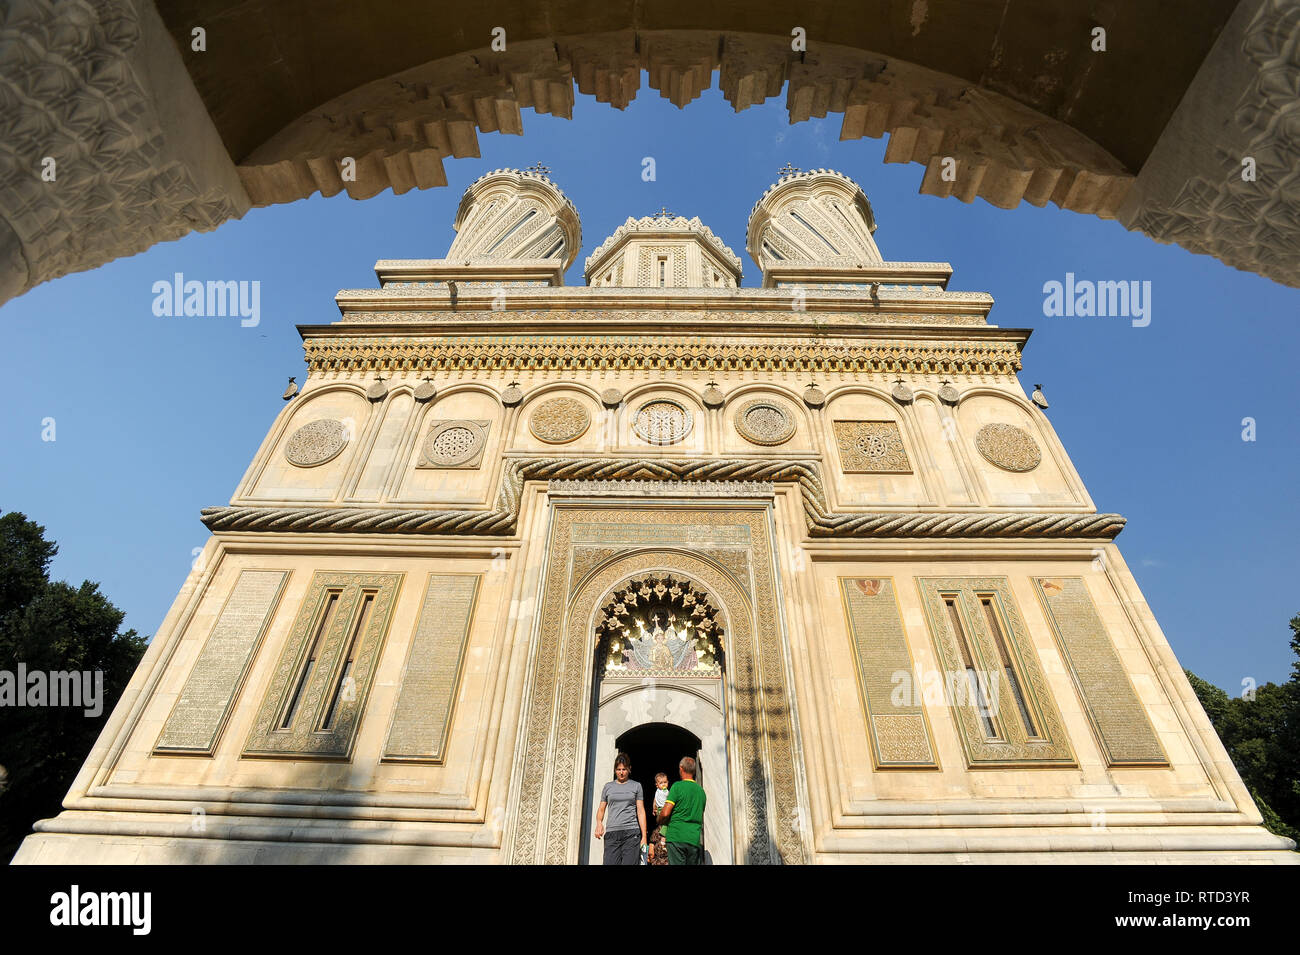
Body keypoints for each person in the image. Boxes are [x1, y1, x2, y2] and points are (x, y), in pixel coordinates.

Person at [594, 752, 645, 865]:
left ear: (629, 769)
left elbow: (641, 811)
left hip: (631, 833)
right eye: (618, 769)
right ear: (615, 770)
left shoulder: (636, 786)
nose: (621, 772)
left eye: (624, 769)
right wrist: (599, 823)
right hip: (612, 834)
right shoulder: (608, 787)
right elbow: (601, 808)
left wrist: (644, 837)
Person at [656, 755, 706, 865]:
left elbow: (665, 813)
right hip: (693, 838)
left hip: (676, 837)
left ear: (681, 768)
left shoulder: (677, 787)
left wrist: (659, 820)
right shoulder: (701, 791)